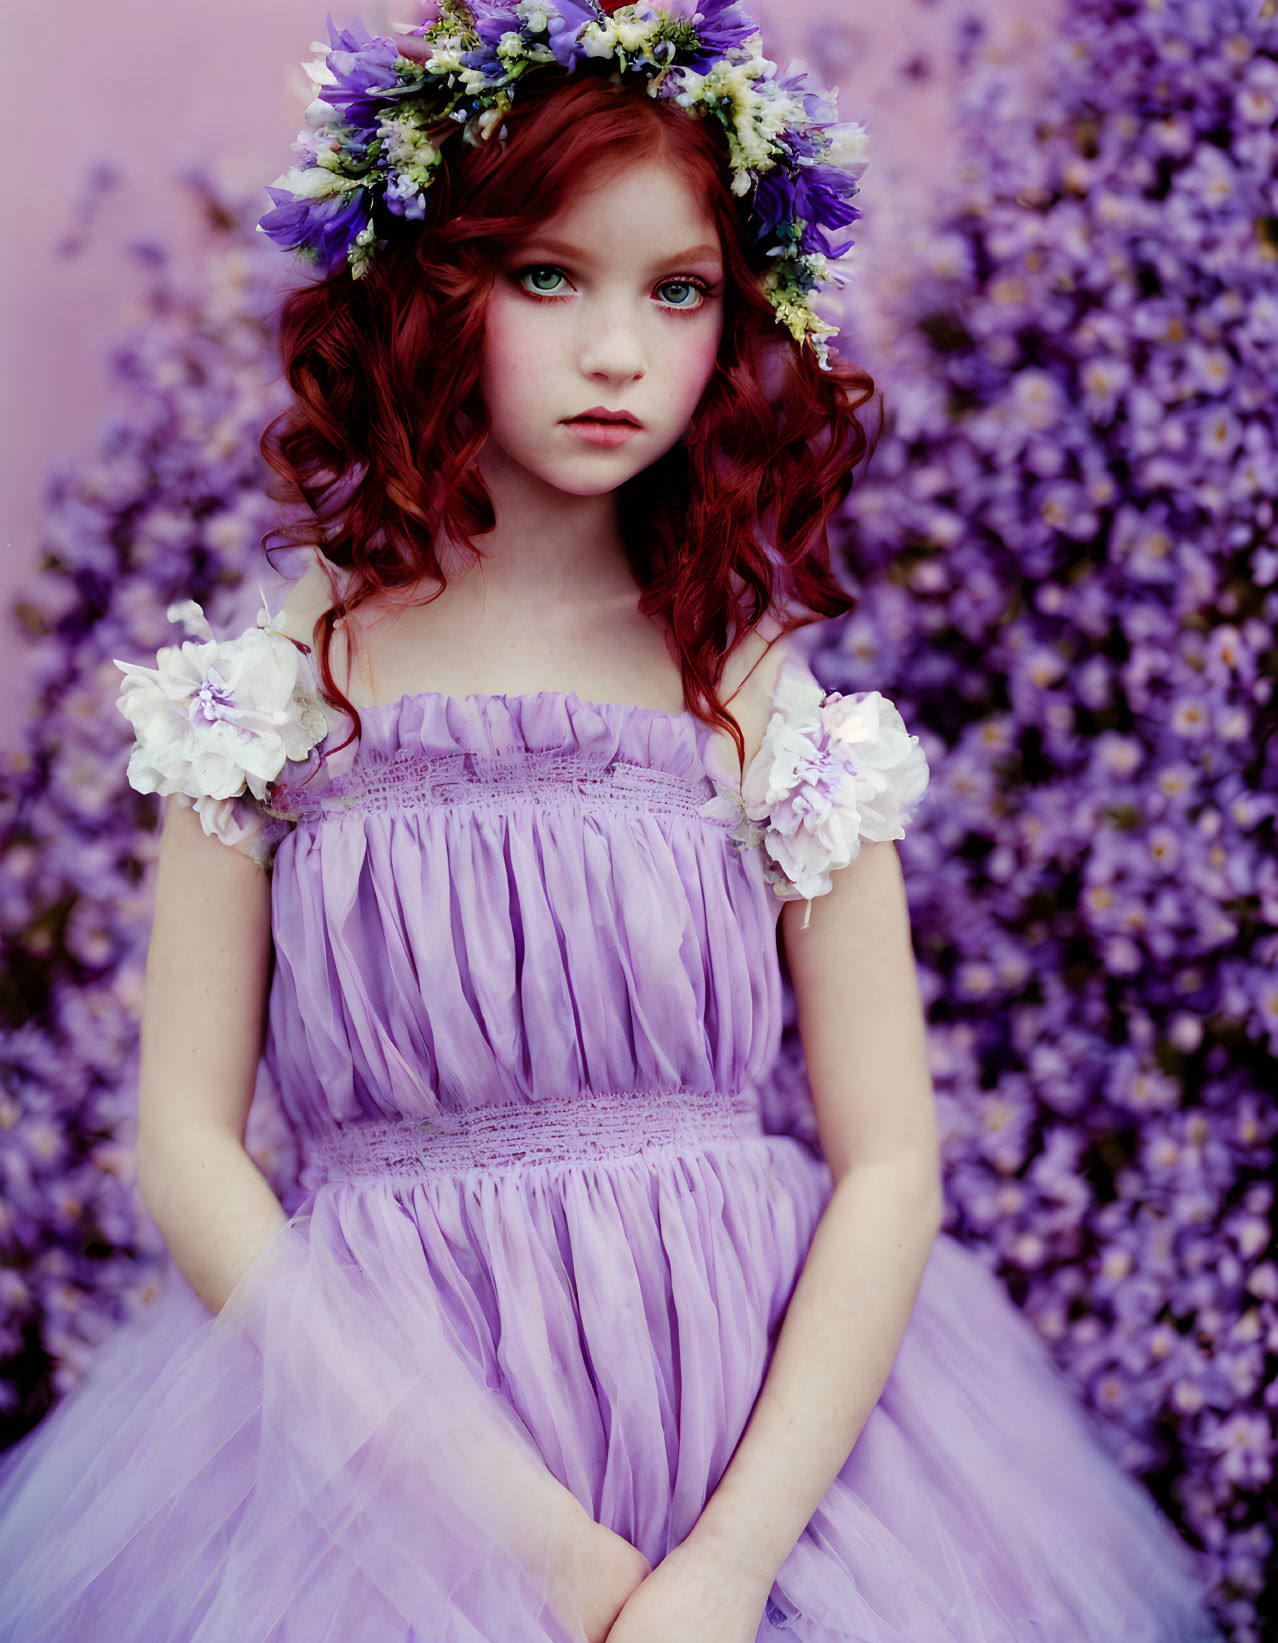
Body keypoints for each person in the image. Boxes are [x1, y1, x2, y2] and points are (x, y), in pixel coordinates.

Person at [0, 4, 1228, 1641]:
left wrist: (723, 1565)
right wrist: (534, 1549)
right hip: (391, 1446)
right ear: (431, 289)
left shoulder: (763, 702)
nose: (615, 352)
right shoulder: (270, 691)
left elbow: (887, 1163)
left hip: (754, 1431)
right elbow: (188, 1154)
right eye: (546, 277)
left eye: (678, 291)